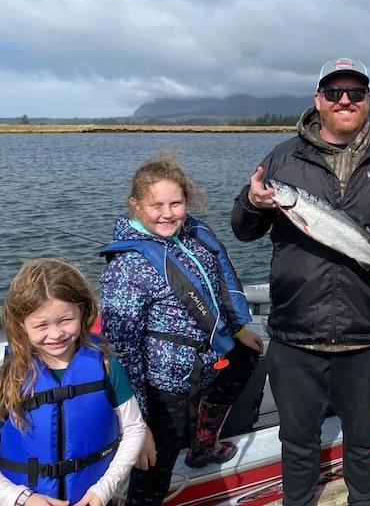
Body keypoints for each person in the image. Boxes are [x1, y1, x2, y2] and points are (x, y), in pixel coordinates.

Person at [231, 58, 370, 506]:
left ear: (368, 100)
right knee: (297, 445)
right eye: (334, 92)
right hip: (296, 332)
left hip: (368, 331)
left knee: (364, 441)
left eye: (355, 93)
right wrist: (255, 201)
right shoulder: (282, 158)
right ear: (317, 100)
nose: (344, 100)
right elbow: (243, 229)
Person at [100, 151, 264, 506]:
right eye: (156, 205)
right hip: (163, 387)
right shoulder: (127, 267)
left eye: (176, 203)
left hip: (208, 359)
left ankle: (204, 444)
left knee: (248, 356)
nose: (167, 213)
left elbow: (216, 291)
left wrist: (237, 332)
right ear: (135, 205)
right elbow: (121, 354)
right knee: (156, 467)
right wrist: (138, 425)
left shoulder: (193, 239)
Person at [0, 258, 146, 506]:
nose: (56, 334)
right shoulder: (3, 382)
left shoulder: (107, 368)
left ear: (83, 313)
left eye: (65, 320)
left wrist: (104, 489)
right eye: (41, 325)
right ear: (20, 324)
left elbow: (134, 429)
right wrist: (22, 499)